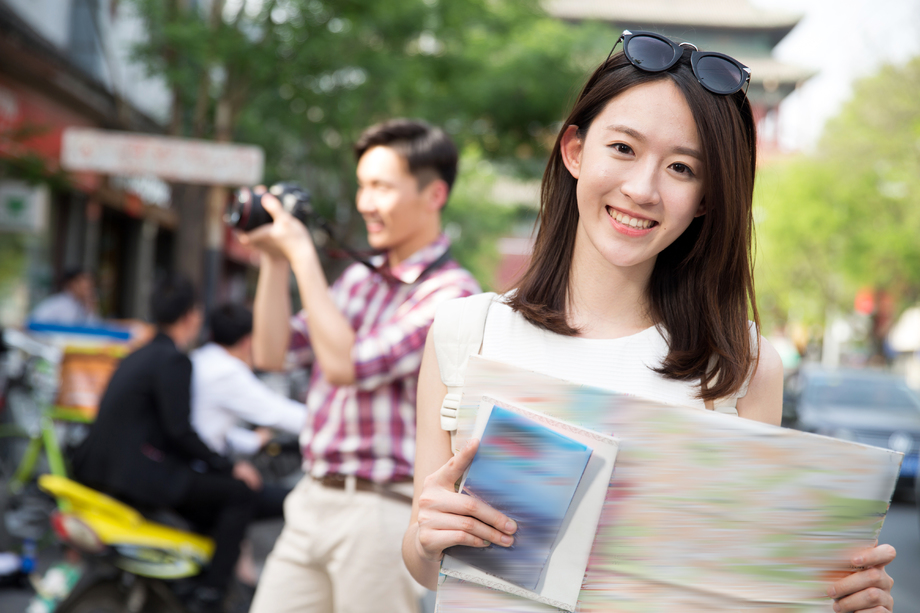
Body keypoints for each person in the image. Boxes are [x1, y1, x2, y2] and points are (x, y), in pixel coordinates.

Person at [402, 31, 896, 613]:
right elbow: (430, 569)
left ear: (707, 198)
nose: (642, 189)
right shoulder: (465, 331)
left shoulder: (741, 366)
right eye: (623, 149)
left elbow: (741, 595)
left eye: (683, 168)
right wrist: (424, 535)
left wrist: (831, 599)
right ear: (574, 152)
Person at [241, 119, 481, 613]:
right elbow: (272, 351)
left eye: (381, 187)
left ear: (434, 194)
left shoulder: (452, 294)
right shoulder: (358, 279)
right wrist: (275, 260)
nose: (364, 203)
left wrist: (303, 254)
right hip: (311, 498)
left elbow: (347, 364)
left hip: (381, 511)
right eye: (361, 186)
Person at [72, 275, 260, 613]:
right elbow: (179, 431)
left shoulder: (137, 355)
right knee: (238, 493)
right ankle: (210, 594)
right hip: (137, 476)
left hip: (101, 470)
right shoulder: (174, 360)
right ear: (191, 316)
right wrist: (230, 466)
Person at [191, 302, 307, 518]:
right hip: (205, 473)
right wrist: (332, 422)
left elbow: (207, 426)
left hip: (196, 466)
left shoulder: (200, 358)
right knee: (291, 502)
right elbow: (278, 413)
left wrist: (254, 440)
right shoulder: (228, 372)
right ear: (248, 341)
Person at [29, 267, 98, 324]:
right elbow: (34, 322)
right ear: (72, 283)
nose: (88, 286)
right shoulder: (56, 304)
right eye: (84, 282)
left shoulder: (85, 306)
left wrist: (89, 310)